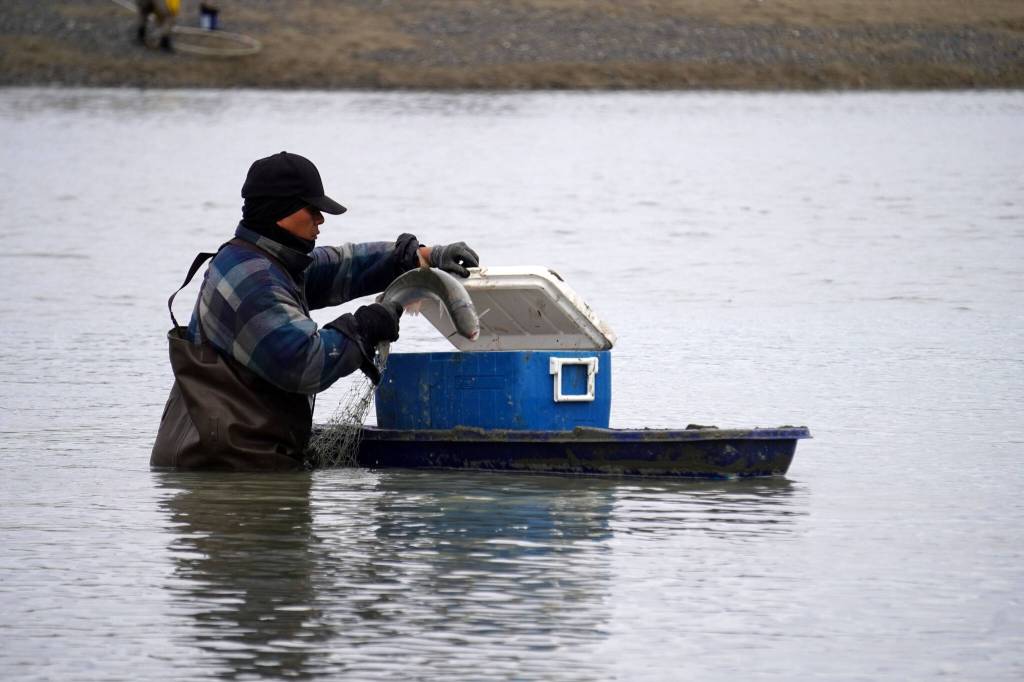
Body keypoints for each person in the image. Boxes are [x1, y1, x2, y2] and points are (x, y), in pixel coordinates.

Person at [151, 151, 480, 471]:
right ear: (282, 211)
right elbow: (306, 363)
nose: (321, 220)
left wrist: (420, 256)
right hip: (225, 474)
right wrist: (365, 327)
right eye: (313, 210)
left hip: (234, 462)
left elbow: (338, 266)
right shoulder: (252, 279)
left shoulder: (261, 260)